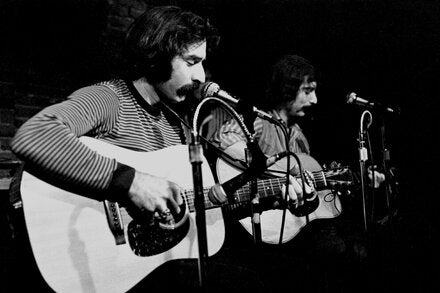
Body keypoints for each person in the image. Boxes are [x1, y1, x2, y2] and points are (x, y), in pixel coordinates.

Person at [9, 6, 266, 293]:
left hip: (143, 263)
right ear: (157, 58)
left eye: (202, 63)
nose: (201, 77)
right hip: (89, 252)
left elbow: (194, 202)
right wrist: (131, 182)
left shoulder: (176, 123)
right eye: (191, 61)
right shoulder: (109, 98)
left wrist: (267, 197)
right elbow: (34, 134)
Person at [208, 54, 372, 292]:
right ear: (286, 89)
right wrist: (282, 170)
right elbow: (223, 140)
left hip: (288, 230)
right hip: (248, 226)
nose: (315, 99)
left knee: (352, 247)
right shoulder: (259, 122)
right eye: (307, 91)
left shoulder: (300, 138)